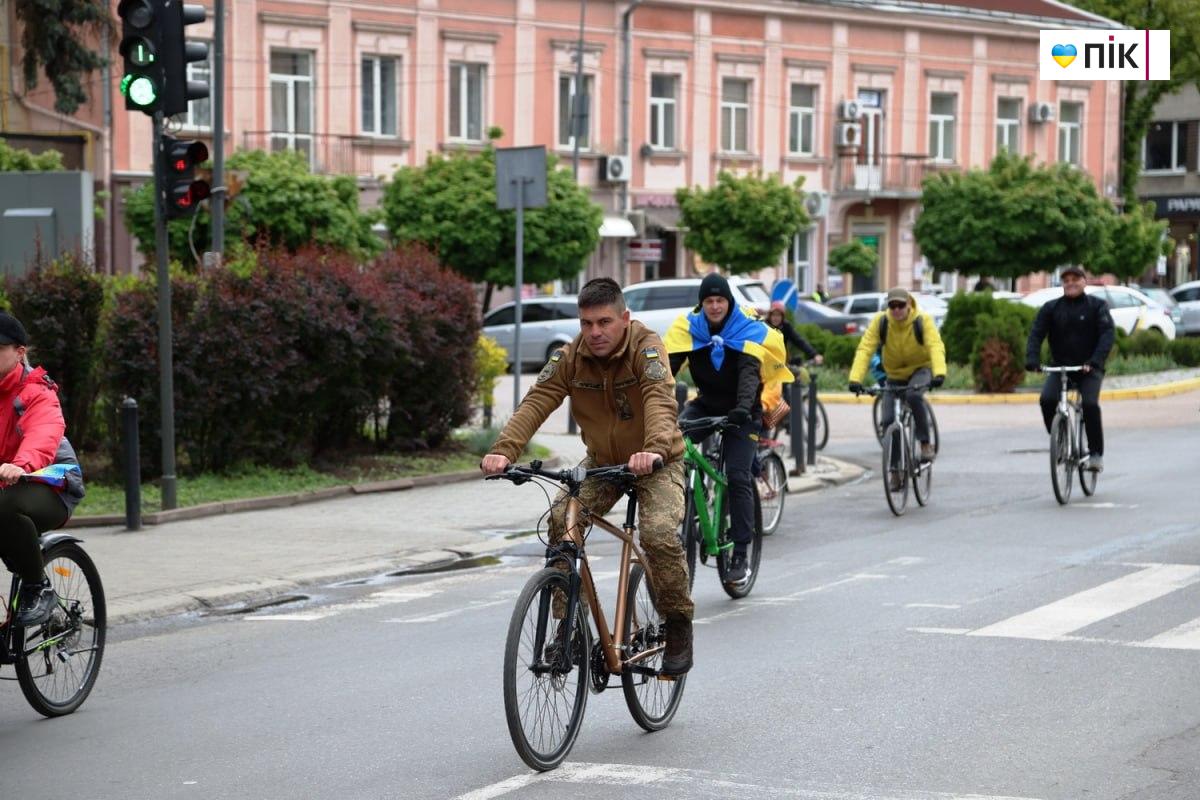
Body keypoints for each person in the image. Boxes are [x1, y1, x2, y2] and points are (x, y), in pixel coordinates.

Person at [481, 278, 695, 675]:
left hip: (656, 461)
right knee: (561, 521)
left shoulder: (646, 347)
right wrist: (503, 450)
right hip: (603, 464)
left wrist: (654, 450)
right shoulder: (570, 357)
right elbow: (537, 401)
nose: (594, 332)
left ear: (624, 319)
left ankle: (678, 622)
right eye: (586, 323)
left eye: (604, 322)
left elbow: (659, 399)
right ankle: (571, 628)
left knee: (658, 534)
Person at [665, 274, 792, 584]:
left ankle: (740, 553)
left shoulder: (745, 329)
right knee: (671, 445)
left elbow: (749, 374)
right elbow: (667, 370)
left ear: (729, 302)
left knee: (737, 475)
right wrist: (653, 399)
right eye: (709, 301)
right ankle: (689, 502)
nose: (714, 306)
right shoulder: (690, 330)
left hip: (742, 411)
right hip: (706, 404)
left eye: (720, 300)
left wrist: (743, 408)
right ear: (702, 304)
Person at [0, 312, 86, 626]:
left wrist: (19, 465)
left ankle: (38, 587)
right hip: (7, 484)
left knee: (5, 506)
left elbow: (43, 433)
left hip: (52, 484)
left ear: (20, 352)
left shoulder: (37, 391)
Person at [848, 287, 946, 485]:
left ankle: (925, 443)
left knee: (914, 396)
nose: (896, 310)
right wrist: (855, 379)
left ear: (908, 305)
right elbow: (865, 349)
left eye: (900, 305)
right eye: (892, 306)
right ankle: (895, 470)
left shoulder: (922, 320)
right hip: (894, 375)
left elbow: (935, 345)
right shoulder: (881, 322)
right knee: (888, 421)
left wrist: (939, 373)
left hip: (920, 369)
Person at [1025, 265, 1114, 472]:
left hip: (1089, 368)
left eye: (1075, 279)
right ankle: (1059, 437)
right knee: (1047, 400)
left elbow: (1107, 335)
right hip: (1061, 367)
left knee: (1090, 405)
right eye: (1066, 280)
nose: (1071, 283)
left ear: (1084, 281)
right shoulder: (1051, 308)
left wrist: (1095, 361)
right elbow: (1036, 333)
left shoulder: (1097, 306)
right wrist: (1032, 359)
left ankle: (1095, 454)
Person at [765, 301, 824, 367]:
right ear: (769, 316)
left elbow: (798, 340)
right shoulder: (764, 326)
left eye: (778, 315)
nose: (776, 318)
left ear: (782, 317)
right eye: (773, 315)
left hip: (781, 363)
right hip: (765, 361)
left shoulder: (785, 326)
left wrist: (815, 355)